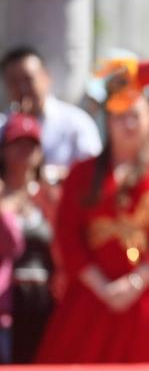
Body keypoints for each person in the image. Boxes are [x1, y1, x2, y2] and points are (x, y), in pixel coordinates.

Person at [35, 65, 149, 363]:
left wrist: (134, 284)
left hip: (147, 296)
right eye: (120, 117)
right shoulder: (82, 173)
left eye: (135, 115)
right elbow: (68, 235)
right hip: (91, 294)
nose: (128, 125)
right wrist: (103, 287)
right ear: (108, 120)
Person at [0, 113, 56, 363]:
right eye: (17, 143)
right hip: (6, 301)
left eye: (31, 144)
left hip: (43, 298)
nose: (25, 151)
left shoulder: (49, 198)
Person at [1, 46, 101, 168]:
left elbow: (93, 170)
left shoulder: (77, 123)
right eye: (14, 82)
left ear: (46, 76)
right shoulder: (3, 126)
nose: (22, 88)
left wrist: (59, 175)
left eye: (28, 79)